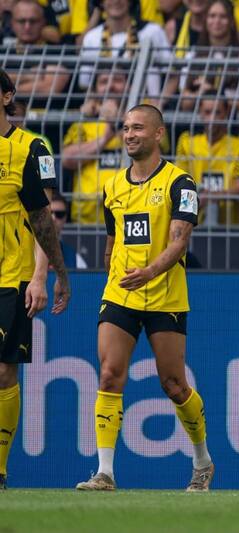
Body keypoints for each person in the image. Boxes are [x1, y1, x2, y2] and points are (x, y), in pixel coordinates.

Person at [75, 104, 213, 492]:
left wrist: (150, 272)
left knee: (173, 384)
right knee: (108, 373)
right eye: (124, 128)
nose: (129, 134)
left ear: (158, 134)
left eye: (137, 127)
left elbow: (180, 241)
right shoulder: (112, 186)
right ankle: (105, 472)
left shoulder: (180, 184)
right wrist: (113, 276)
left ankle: (202, 459)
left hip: (165, 296)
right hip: (121, 293)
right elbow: (111, 240)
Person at [0, 68, 70, 490]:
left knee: (4, 373)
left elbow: (42, 218)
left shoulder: (31, 148)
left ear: (7, 96)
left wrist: (42, 276)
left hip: (11, 274)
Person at [62, 71, 128, 225]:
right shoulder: (83, 123)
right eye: (104, 81)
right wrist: (105, 139)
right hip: (86, 218)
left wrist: (117, 119)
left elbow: (152, 152)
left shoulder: (141, 119)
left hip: (128, 216)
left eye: (117, 80)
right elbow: (67, 159)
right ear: (95, 89)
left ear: (129, 85)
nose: (111, 86)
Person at [177, 0, 239, 112]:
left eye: (223, 16)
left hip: (235, 125)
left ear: (231, 21)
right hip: (197, 126)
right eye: (212, 16)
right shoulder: (192, 55)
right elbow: (185, 104)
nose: (217, 21)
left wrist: (212, 92)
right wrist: (201, 93)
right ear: (205, 20)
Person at [176, 94, 239, 226]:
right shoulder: (186, 142)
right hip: (194, 224)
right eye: (207, 112)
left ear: (226, 113)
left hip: (231, 223)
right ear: (200, 113)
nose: (212, 118)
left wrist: (211, 196)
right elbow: (180, 183)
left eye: (217, 112)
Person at [50, 193, 89, 269]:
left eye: (59, 214)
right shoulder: (25, 254)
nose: (53, 218)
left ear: (65, 219)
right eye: (49, 213)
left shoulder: (75, 259)